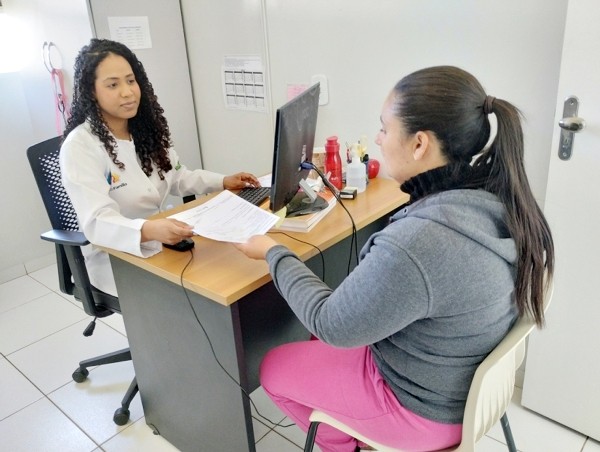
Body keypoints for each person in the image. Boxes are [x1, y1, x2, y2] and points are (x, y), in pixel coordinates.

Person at [234, 66, 554, 451]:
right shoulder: (494, 199)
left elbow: (332, 323)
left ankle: (352, 443)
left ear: (420, 144)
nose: (380, 140)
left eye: (384, 129)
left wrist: (274, 252)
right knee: (321, 333)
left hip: (422, 411)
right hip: (459, 387)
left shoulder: (420, 241)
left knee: (274, 366)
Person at [60, 38, 260, 297]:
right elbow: (97, 223)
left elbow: (178, 177)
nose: (127, 92)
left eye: (131, 81)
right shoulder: (81, 146)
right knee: (207, 291)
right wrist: (148, 230)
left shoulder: (143, 130)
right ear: (91, 92)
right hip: (118, 256)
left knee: (232, 273)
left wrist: (223, 181)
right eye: (113, 85)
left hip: (165, 241)